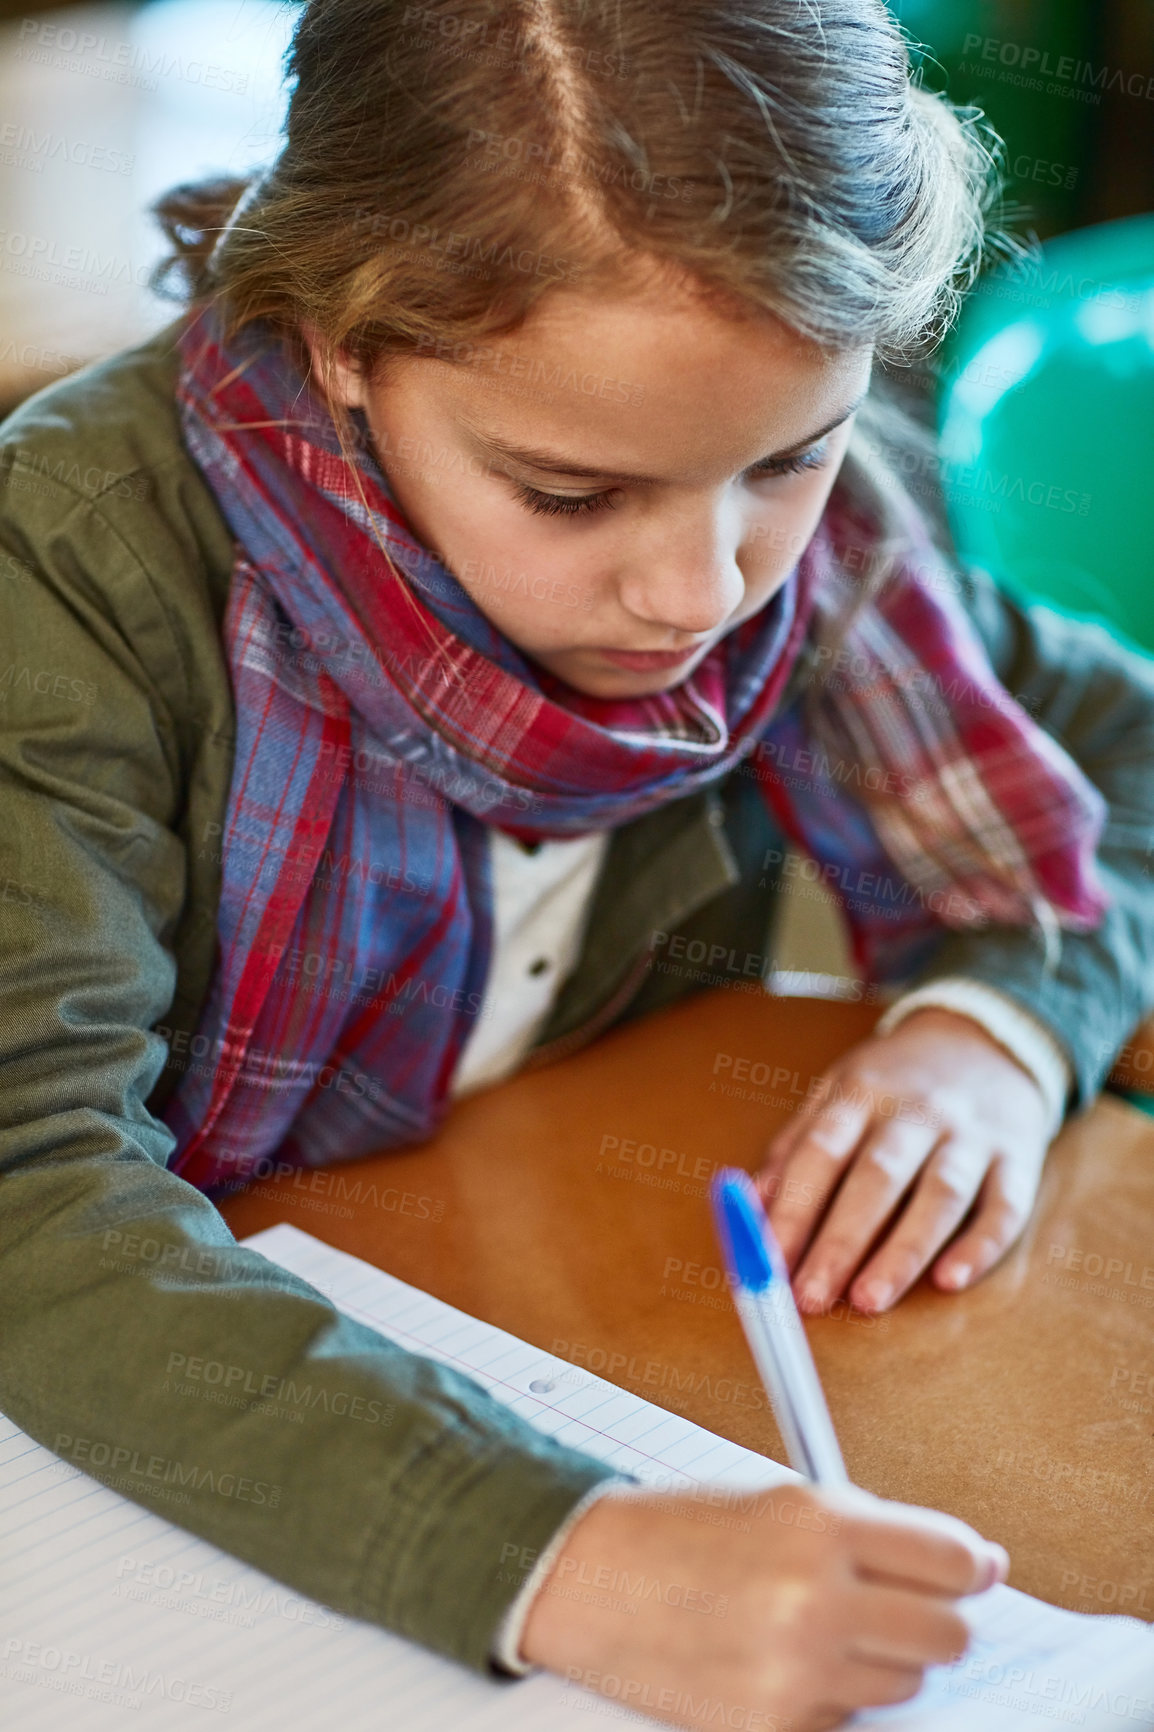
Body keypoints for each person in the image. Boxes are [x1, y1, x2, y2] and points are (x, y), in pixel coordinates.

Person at [2, 1, 1153, 1726]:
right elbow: (29, 1190)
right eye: (565, 494)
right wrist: (559, 1556)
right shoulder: (66, 575)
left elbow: (1115, 756)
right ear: (338, 342)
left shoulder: (816, 547)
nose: (702, 594)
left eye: (790, 458)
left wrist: (993, 1028)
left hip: (551, 1270)